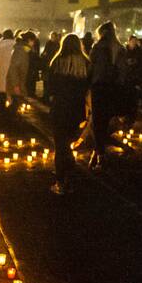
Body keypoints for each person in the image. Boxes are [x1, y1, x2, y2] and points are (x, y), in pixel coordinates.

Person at [46, 33, 90, 195]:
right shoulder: (85, 63)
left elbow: (50, 87)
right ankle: (69, 178)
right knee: (68, 144)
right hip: (76, 110)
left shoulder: (57, 62)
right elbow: (87, 87)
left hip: (59, 108)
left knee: (60, 146)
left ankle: (60, 181)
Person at [87, 21, 128, 166]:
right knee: (105, 121)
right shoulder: (120, 49)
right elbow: (123, 72)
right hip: (114, 89)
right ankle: (98, 152)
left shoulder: (97, 48)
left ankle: (99, 154)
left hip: (98, 88)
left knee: (97, 121)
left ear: (102, 33)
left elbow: (90, 69)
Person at [0, 29, 16, 98]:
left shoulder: (0, 44)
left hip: (1, 68)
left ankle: (1, 103)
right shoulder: (16, 44)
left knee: (1, 87)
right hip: (13, 69)